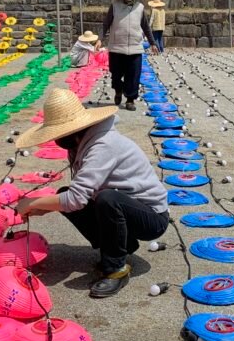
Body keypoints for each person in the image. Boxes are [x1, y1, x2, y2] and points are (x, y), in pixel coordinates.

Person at [15, 89, 168, 298]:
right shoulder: (80, 143)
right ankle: (122, 244)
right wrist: (43, 208)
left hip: (151, 217)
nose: (56, 140)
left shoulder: (103, 145)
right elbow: (77, 194)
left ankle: (116, 269)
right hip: (126, 207)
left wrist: (32, 203)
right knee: (64, 194)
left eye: (58, 134)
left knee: (107, 200)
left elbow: (76, 199)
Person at [100, 0, 157, 111]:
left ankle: (130, 99)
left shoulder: (140, 7)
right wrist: (100, 39)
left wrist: (152, 43)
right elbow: (106, 24)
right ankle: (118, 91)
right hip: (116, 48)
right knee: (116, 74)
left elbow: (145, 27)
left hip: (135, 47)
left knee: (133, 75)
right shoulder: (114, 6)